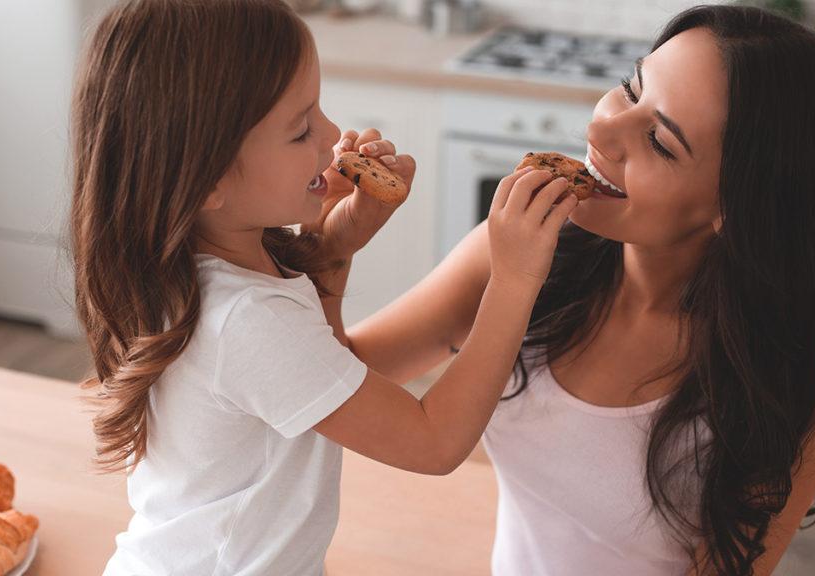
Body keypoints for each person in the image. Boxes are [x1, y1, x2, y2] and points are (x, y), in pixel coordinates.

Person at [337, 5, 815, 575]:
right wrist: (330, 248)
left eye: (659, 141)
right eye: (629, 89)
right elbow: (332, 383)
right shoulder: (519, 259)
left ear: (737, 209)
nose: (599, 131)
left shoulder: (783, 376)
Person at [69, 0, 577, 573]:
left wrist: (331, 250)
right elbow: (434, 442)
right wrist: (514, 279)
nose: (332, 135)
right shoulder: (246, 319)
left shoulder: (187, 267)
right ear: (206, 179)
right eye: (300, 129)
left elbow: (322, 376)